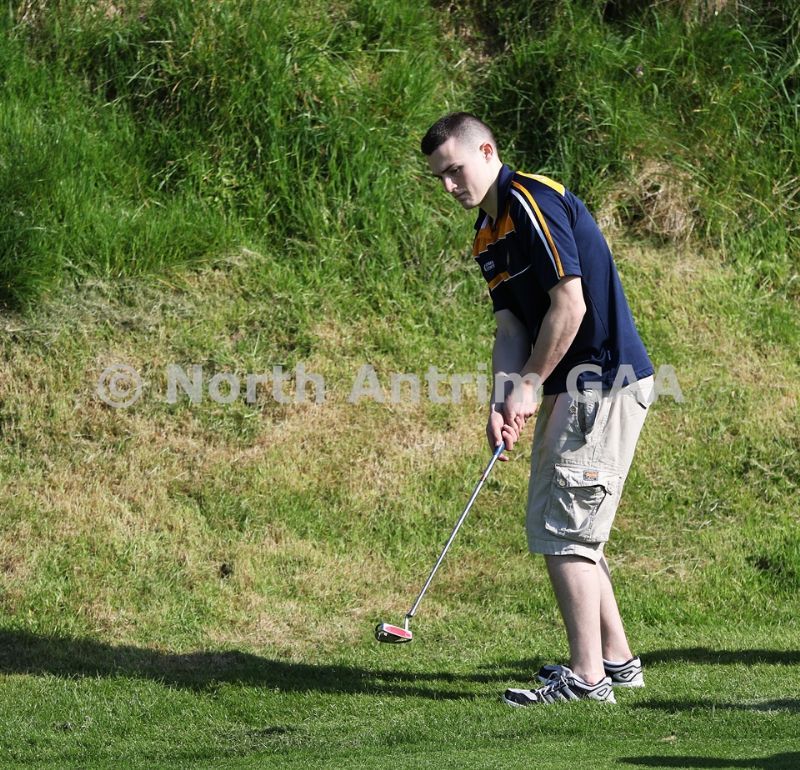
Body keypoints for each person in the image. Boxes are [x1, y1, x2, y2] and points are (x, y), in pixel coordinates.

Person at [421, 112, 655, 706]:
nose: (449, 185)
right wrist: (503, 397)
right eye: (440, 177)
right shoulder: (486, 233)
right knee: (575, 529)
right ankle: (617, 661)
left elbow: (569, 305)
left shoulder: (531, 200)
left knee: (564, 533)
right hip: (569, 387)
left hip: (598, 381)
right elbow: (510, 328)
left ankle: (587, 679)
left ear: (487, 151)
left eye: (455, 170)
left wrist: (530, 383)